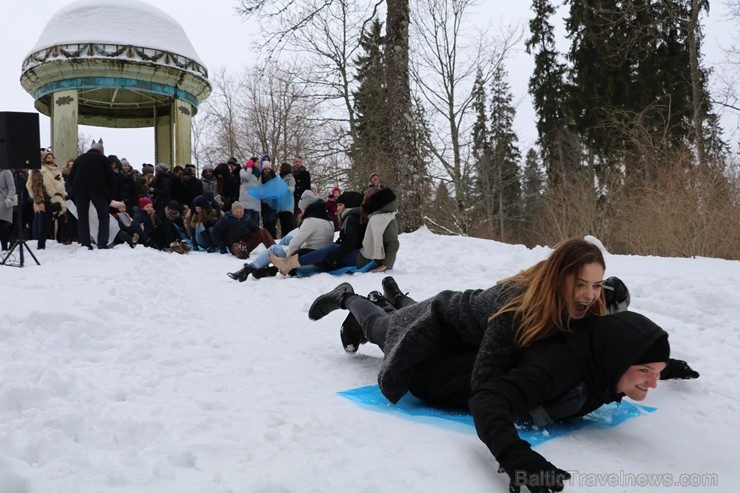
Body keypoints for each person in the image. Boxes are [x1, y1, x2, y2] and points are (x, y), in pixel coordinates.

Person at [267, 190, 365, 274]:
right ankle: (285, 264)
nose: (337, 208)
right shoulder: (349, 217)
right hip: (350, 254)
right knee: (302, 252)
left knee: (331, 249)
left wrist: (335, 256)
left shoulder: (352, 218)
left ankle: (287, 264)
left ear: (349, 205)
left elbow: (351, 242)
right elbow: (345, 240)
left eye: (340, 205)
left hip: (357, 258)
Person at [267, 190, 335, 275]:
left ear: (306, 208)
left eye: (301, 209)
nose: (301, 211)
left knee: (274, 249)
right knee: (287, 240)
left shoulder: (311, 220)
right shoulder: (328, 219)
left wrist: (287, 260)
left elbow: (295, 244)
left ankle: (255, 267)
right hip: (324, 257)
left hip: (311, 260)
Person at [69, 139, 115, 249]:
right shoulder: (103, 159)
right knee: (103, 217)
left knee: (83, 218)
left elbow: (71, 177)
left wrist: (74, 191)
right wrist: (110, 195)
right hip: (99, 192)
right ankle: (102, 243)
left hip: (80, 192)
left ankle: (85, 244)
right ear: (101, 150)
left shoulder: (79, 159)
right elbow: (111, 178)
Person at [27, 150, 68, 249]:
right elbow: (36, 187)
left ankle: (65, 243)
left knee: (65, 221)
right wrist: (40, 202)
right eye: (48, 158)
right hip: (46, 200)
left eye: (52, 157)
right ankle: (41, 246)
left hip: (58, 200)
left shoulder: (56, 170)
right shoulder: (39, 170)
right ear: (44, 159)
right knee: (46, 224)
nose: (51, 159)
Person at [355, 186, 399, 273]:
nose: (363, 200)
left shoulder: (386, 218)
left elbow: (393, 243)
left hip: (374, 261)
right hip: (370, 257)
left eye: (365, 197)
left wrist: (385, 265)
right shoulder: (377, 215)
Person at [211, 201, 275, 258]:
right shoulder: (226, 219)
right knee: (238, 248)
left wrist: (260, 234)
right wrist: (222, 246)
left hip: (247, 242)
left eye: (241, 211)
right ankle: (242, 253)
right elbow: (216, 232)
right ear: (232, 212)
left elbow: (256, 229)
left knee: (262, 231)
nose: (239, 214)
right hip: (235, 244)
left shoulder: (246, 218)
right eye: (237, 212)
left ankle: (276, 250)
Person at [277, 162, 295, 237]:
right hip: (280, 206)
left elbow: (292, 189)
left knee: (288, 226)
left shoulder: (290, 178)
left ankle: (288, 240)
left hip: (287, 205)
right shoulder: (279, 179)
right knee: (283, 226)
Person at [0, 168, 17, 250]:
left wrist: (10, 198)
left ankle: (12, 239)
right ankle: (4, 247)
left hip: (3, 200)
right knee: (2, 225)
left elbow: (12, 187)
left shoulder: (6, 171)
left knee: (1, 223)